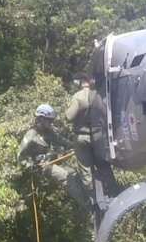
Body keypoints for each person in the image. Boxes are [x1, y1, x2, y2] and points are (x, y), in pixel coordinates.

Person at [18, 104, 91, 208]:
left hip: (54, 162)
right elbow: (20, 156)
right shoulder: (31, 135)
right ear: (42, 119)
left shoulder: (49, 132)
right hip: (43, 167)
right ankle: (88, 205)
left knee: (75, 174)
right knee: (66, 177)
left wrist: (77, 146)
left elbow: (62, 141)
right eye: (49, 120)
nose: (51, 123)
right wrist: (29, 166)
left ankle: (90, 198)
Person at [65, 73, 96, 202]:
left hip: (81, 137)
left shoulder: (78, 96)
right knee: (102, 165)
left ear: (82, 82)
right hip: (98, 137)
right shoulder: (98, 95)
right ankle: (112, 190)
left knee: (85, 170)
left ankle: (93, 198)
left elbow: (69, 117)